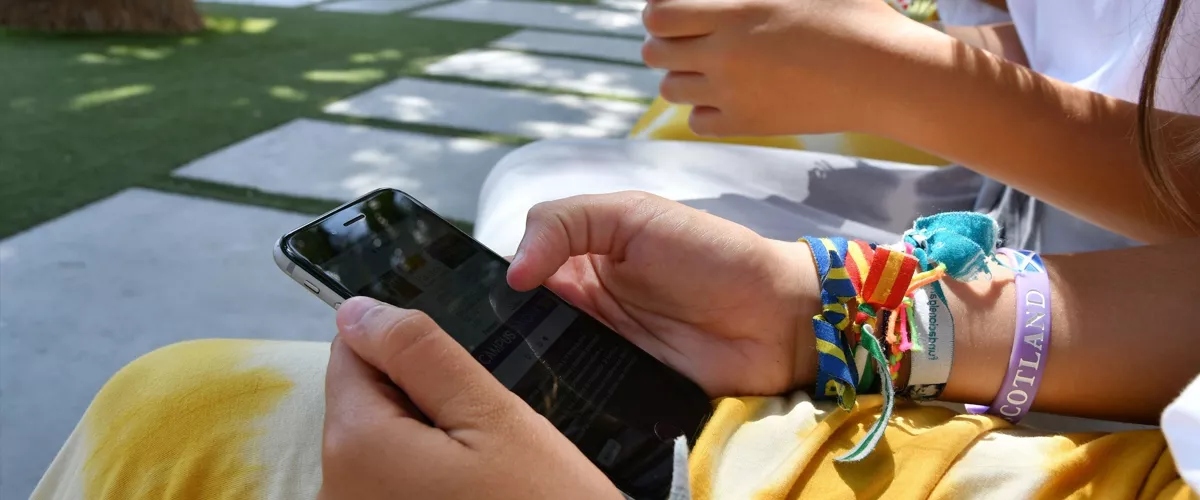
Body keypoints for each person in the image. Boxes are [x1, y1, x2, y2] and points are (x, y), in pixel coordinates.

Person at [30, 0, 1200, 499]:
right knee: (547, 197)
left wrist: (899, 78)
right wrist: (824, 312)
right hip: (1083, 303)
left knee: (172, 417)